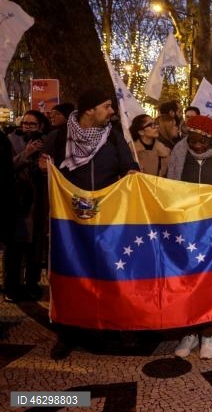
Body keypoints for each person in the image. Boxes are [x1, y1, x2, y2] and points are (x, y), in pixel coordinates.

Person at [40, 88, 140, 359]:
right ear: (89, 110)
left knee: (112, 274)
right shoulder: (59, 137)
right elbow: (45, 170)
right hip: (70, 223)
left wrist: (131, 172)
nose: (111, 112)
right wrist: (42, 166)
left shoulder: (113, 137)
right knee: (72, 275)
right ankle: (69, 333)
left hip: (109, 221)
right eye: (106, 106)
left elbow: (129, 167)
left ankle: (116, 328)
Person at [167, 115, 212, 360]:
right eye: (193, 142)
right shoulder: (178, 153)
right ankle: (188, 332)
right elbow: (170, 187)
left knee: (210, 281)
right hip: (184, 228)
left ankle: (208, 333)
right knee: (186, 280)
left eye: (202, 143)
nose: (197, 147)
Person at [5, 110, 49, 302]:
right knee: (15, 247)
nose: (27, 127)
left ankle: (32, 284)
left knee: (36, 247)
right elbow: (6, 167)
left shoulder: (47, 142)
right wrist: (26, 154)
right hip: (18, 202)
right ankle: (11, 287)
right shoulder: (10, 141)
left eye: (32, 124)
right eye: (25, 123)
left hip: (40, 202)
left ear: (41, 126)